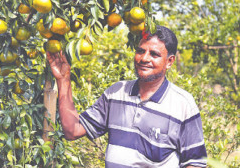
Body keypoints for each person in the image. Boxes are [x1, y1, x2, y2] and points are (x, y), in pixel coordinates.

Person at [47, 25, 207, 168]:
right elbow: (72, 130)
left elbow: (195, 163)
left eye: (154, 54)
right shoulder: (116, 93)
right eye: (140, 51)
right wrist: (63, 79)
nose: (144, 58)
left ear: (169, 61)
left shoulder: (182, 104)